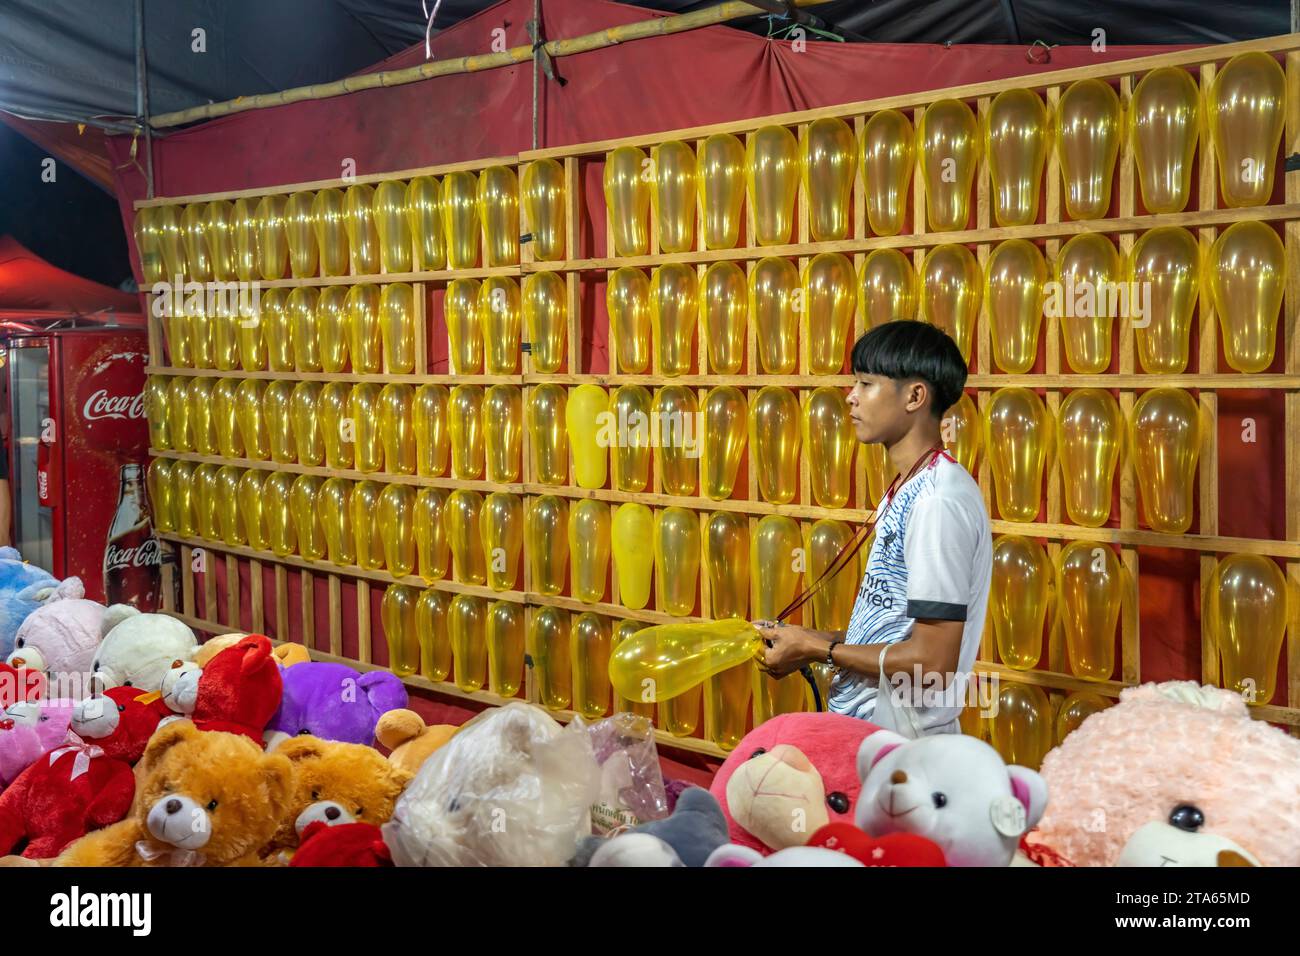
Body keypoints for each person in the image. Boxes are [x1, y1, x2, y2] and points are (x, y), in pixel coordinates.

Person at [755, 320, 992, 735]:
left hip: (903, 746)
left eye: (866, 383)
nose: (851, 398)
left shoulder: (937, 501)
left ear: (915, 396)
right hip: (873, 737)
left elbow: (931, 660)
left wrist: (816, 648)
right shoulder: (911, 486)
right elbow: (893, 627)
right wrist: (806, 640)